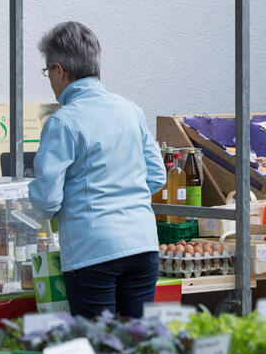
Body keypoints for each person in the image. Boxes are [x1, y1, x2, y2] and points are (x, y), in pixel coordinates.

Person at [28, 21, 166, 318]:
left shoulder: (63, 122)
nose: (49, 78)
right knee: (138, 345)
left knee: (99, 348)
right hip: (142, 244)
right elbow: (156, 176)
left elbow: (48, 199)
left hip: (93, 251)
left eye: (47, 71)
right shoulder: (130, 110)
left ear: (59, 70)